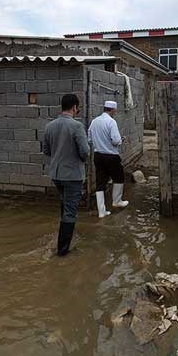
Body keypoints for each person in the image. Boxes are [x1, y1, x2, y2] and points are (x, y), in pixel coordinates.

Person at [42, 94, 89, 256]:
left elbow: (46, 150)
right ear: (75, 107)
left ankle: (64, 238)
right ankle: (63, 251)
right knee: (70, 210)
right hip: (72, 175)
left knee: (65, 203)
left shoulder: (50, 126)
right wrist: (80, 159)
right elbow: (85, 151)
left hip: (56, 174)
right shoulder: (76, 126)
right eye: (78, 108)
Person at [88, 101, 129, 219]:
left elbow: (89, 139)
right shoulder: (111, 122)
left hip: (98, 156)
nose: (115, 112)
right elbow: (116, 141)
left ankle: (102, 211)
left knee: (100, 183)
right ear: (112, 110)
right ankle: (117, 201)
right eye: (115, 110)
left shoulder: (94, 121)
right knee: (119, 177)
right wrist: (121, 140)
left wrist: (100, 143)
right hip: (111, 156)